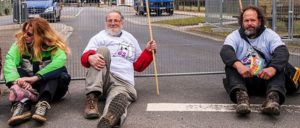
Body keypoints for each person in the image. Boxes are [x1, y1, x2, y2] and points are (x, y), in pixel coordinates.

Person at [81, 10, 156, 127]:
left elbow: (138, 66)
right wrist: (90, 57)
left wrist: (148, 51)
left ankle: (109, 118)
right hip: (103, 80)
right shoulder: (99, 37)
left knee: (119, 99)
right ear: (105, 23)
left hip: (123, 83)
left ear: (122, 22)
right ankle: (92, 99)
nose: (112, 23)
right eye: (109, 21)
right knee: (102, 51)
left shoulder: (130, 38)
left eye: (116, 20)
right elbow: (84, 58)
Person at [220, 5, 300, 116]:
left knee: (280, 65)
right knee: (231, 66)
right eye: (246, 21)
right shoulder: (234, 36)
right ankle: (242, 99)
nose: (249, 23)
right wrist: (239, 65)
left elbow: (282, 52)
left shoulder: (270, 35)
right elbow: (226, 51)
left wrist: (272, 68)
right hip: (245, 80)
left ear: (260, 21)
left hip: (267, 80)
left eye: (252, 20)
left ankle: (273, 99)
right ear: (242, 22)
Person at [3, 17, 71, 126]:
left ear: (41, 35)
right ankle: (22, 105)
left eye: (29, 34)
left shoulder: (53, 46)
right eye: (24, 32)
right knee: (17, 71)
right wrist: (16, 81)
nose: (25, 35)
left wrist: (35, 77)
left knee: (59, 72)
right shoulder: (20, 43)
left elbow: (60, 61)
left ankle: (43, 104)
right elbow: (9, 61)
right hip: (30, 88)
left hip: (52, 90)